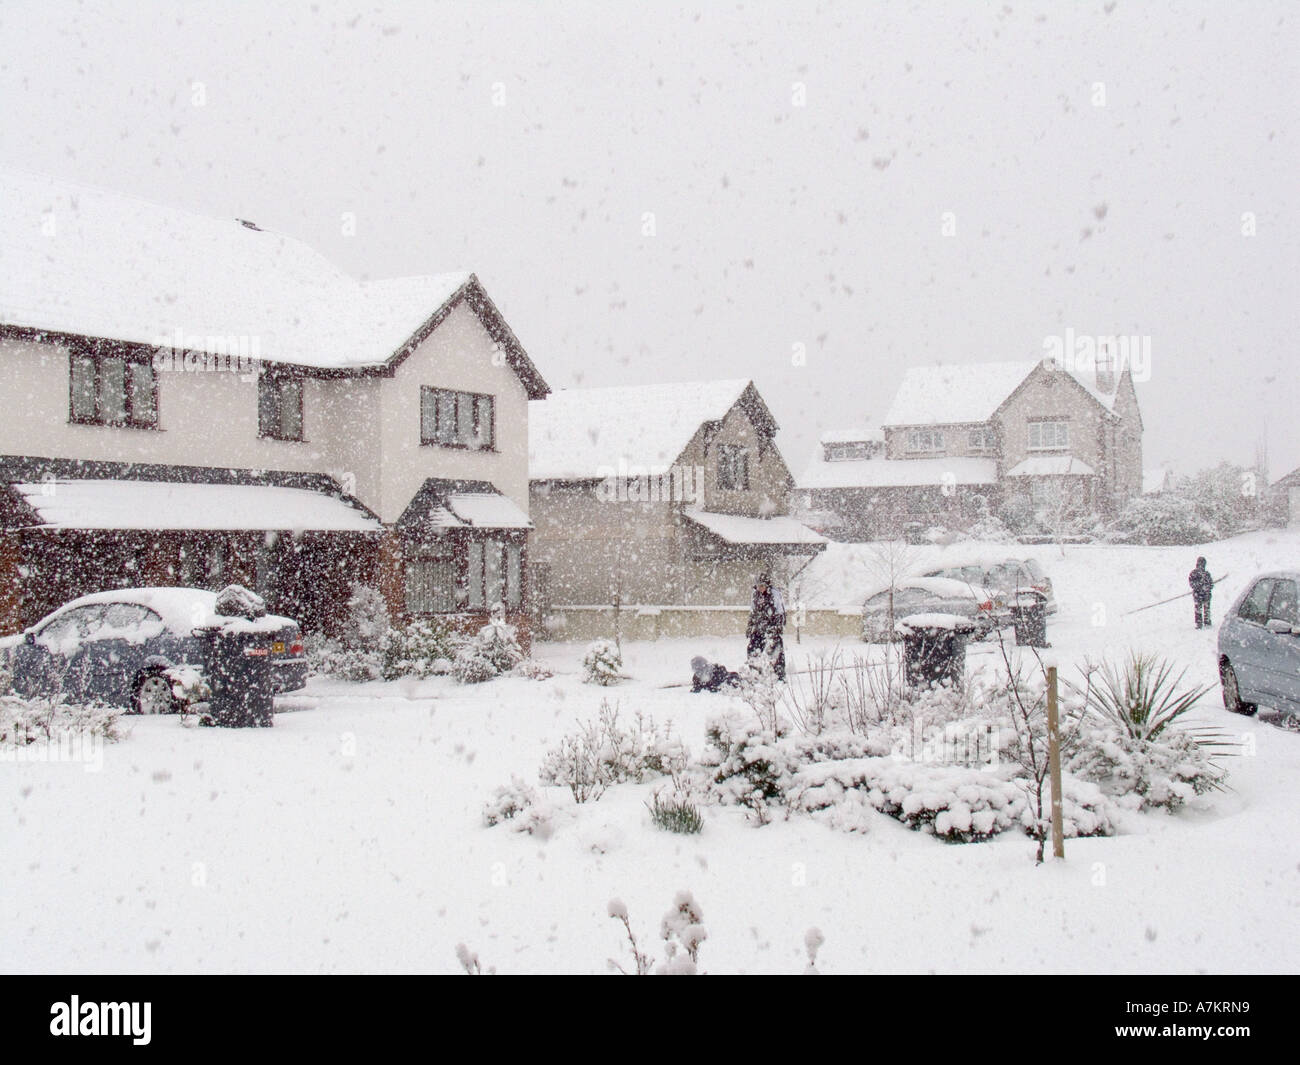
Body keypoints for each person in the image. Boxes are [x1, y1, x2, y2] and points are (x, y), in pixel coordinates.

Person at [746, 570, 787, 679]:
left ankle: (778, 674)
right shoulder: (755, 595)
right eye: (758, 586)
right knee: (752, 648)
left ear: (767, 585)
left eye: (762, 586)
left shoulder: (774, 594)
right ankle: (755, 673)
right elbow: (753, 611)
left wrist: (776, 627)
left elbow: (780, 611)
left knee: (775, 651)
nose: (760, 588)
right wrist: (750, 626)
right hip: (759, 627)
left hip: (772, 627)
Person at [1189, 556, 1214, 629]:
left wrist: (1207, 588)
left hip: (1206, 595)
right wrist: (1199, 585)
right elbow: (1192, 584)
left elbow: (1211, 584)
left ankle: (1207, 621)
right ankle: (1199, 623)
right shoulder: (1194, 573)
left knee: (1207, 608)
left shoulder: (1207, 574)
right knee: (1198, 609)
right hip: (1198, 595)